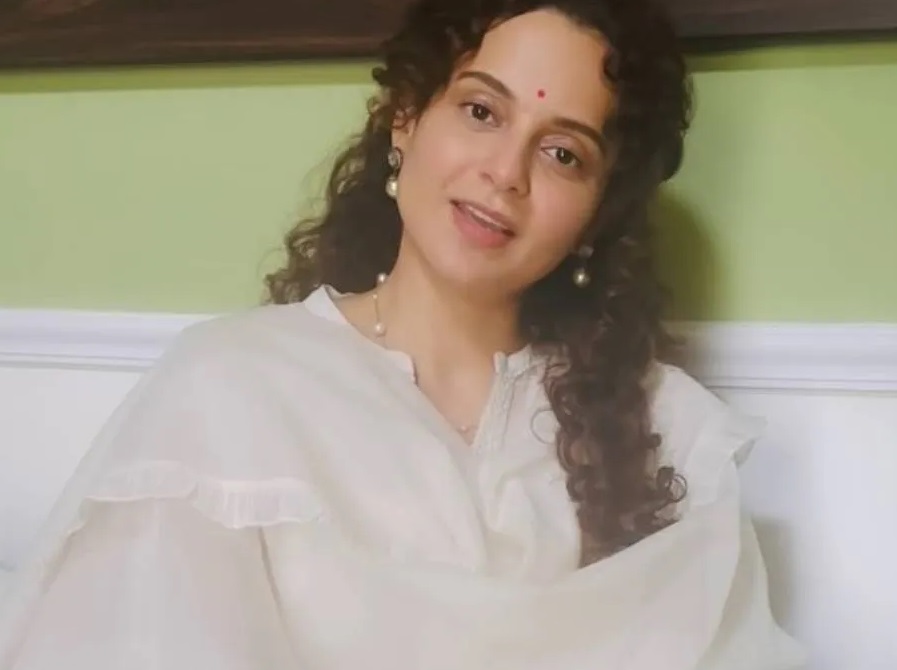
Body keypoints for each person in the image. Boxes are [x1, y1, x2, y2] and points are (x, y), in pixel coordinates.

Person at [0, 0, 806, 668]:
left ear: (598, 211)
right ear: (405, 119)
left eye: (562, 153)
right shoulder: (231, 387)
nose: (505, 173)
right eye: (481, 111)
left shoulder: (667, 430)